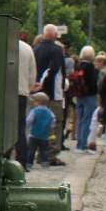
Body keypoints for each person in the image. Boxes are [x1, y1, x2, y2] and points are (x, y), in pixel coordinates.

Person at [34, 26, 67, 164]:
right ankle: (50, 154)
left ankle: (38, 152)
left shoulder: (36, 49)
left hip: (37, 93)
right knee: (55, 123)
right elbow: (54, 69)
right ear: (54, 35)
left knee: (39, 123)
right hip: (53, 93)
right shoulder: (56, 50)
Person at [15, 31, 38, 169]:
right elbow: (32, 74)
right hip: (21, 92)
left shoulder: (1, 45)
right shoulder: (27, 48)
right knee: (20, 128)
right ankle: (21, 161)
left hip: (3, 93)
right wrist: (28, 88)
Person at [73, 46, 99, 152]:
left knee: (80, 119)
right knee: (87, 120)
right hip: (90, 96)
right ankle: (83, 144)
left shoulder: (78, 65)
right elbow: (93, 83)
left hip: (79, 95)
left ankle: (79, 143)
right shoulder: (90, 67)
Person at [25, 92, 56, 167]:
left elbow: (28, 120)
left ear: (38, 102)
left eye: (34, 101)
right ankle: (45, 163)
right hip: (45, 136)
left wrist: (27, 125)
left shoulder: (34, 111)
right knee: (45, 151)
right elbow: (53, 123)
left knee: (31, 150)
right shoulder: (50, 113)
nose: (33, 103)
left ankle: (29, 163)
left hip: (34, 135)